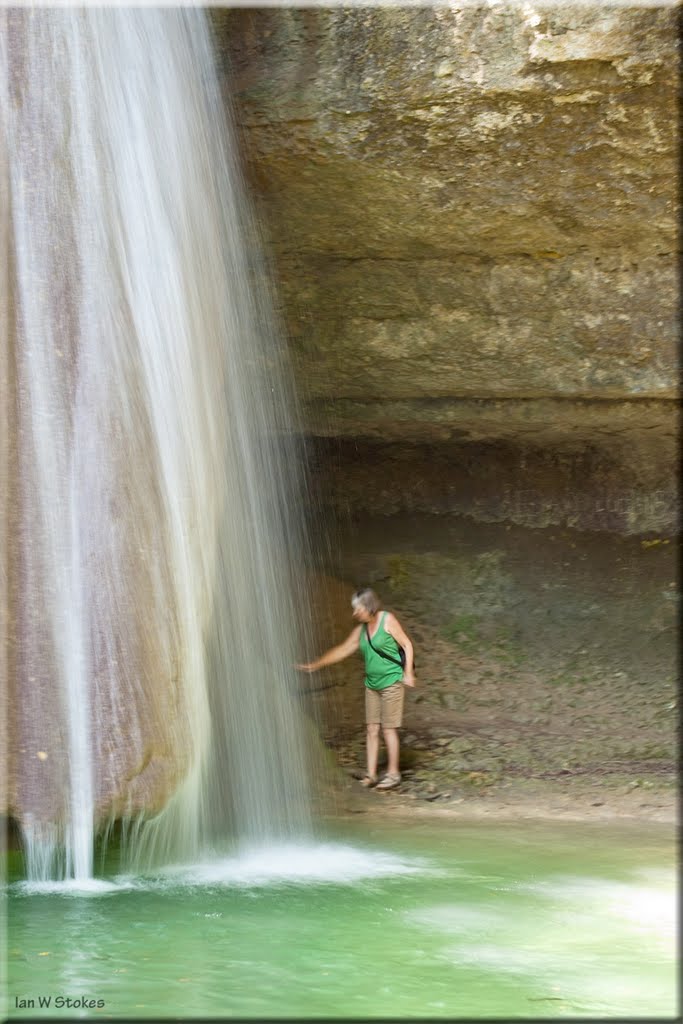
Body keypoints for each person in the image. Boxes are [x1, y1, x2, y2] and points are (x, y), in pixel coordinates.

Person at [297, 587, 415, 790]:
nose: (354, 613)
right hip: (372, 684)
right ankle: (371, 775)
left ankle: (394, 774)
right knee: (371, 729)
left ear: (368, 606)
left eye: (357, 608)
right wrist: (315, 665)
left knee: (388, 729)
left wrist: (409, 673)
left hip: (392, 682)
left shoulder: (387, 620)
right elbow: (342, 650)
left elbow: (406, 644)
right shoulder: (360, 631)